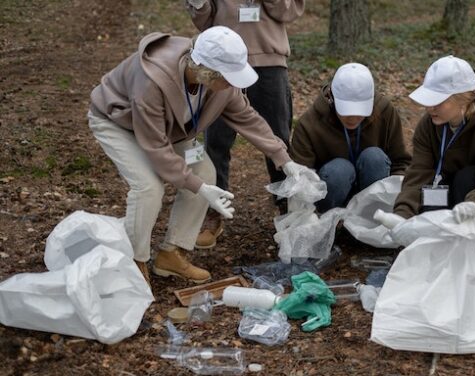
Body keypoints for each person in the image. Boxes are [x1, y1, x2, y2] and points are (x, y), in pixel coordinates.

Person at [88, 26, 315, 287]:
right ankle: (134, 262)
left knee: (205, 173)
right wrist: (198, 188)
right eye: (228, 77)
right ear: (205, 71)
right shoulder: (151, 80)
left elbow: (247, 118)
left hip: (170, 129)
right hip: (118, 121)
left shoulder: (220, 84)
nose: (233, 84)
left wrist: (282, 158)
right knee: (148, 188)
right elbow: (156, 149)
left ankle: (171, 253)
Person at [376, 55, 475, 280]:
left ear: (463, 98)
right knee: (434, 190)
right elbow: (419, 174)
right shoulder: (429, 125)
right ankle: (423, 261)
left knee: (468, 177)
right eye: (428, 100)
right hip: (459, 191)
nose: (429, 107)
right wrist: (403, 215)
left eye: (438, 101)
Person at [185, 0, 305, 249]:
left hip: (269, 61)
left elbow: (289, 11)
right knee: (215, 140)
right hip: (219, 64)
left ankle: (286, 205)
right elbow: (204, 21)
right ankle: (213, 210)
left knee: (277, 136)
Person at [290, 63, 411, 212]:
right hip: (330, 196)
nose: (353, 118)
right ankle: (329, 223)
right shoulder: (309, 123)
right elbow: (301, 177)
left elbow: (400, 162)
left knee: (374, 158)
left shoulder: (385, 111)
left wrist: (399, 200)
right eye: (346, 110)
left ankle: (371, 219)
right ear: (332, 98)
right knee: (339, 170)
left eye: (360, 110)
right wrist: (307, 216)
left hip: (373, 198)